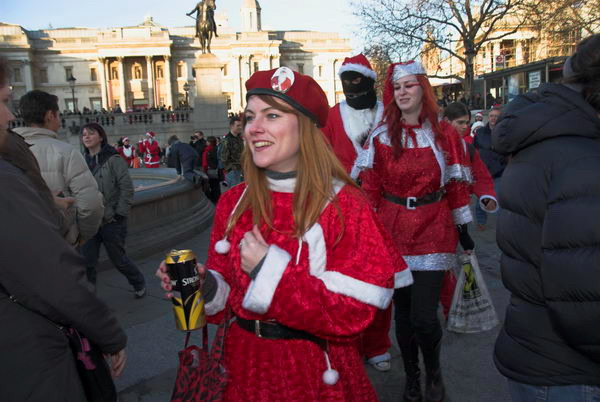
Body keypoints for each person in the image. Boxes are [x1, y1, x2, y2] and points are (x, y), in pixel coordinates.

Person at [156, 66, 412, 400]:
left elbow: (355, 314)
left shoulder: (345, 204)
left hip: (313, 372)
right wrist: (204, 287)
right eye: (249, 117)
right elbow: (226, 304)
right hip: (241, 368)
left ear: (305, 128)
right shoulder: (234, 201)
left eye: (272, 115)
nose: (254, 128)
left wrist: (270, 270)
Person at [0, 58, 127, 402]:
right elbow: (90, 207)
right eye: (2, 100)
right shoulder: (53, 155)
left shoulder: (12, 152)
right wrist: (110, 335)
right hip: (31, 340)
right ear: (53, 115)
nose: (9, 115)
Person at [354, 61, 474, 402]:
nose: (404, 92)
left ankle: (433, 371)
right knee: (404, 315)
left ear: (423, 88)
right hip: (392, 230)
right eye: (399, 87)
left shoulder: (445, 133)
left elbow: (454, 185)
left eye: (410, 85)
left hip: (433, 227)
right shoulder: (380, 136)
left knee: (424, 316)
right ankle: (412, 377)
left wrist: (463, 227)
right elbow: (371, 190)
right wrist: (365, 234)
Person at [492, 34, 600, 402]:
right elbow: (582, 297)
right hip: (570, 371)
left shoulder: (551, 141)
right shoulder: (583, 158)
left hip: (541, 355)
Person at [322, 54, 391, 372]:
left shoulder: (387, 113)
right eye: (345, 79)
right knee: (347, 278)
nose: (350, 86)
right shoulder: (333, 116)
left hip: (385, 206)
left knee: (381, 276)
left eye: (356, 79)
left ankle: (378, 344)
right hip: (344, 207)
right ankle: (351, 343)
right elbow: (322, 154)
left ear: (368, 80)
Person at [13, 89, 104, 246]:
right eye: (58, 114)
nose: (60, 119)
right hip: (59, 240)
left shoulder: (8, 149)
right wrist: (80, 236)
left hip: (17, 242)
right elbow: (91, 204)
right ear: (50, 116)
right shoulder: (66, 152)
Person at [440, 102, 498, 318]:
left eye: (467, 122)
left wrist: (486, 197)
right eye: (460, 123)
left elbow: (480, 176)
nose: (465, 126)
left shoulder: (468, 148)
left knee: (466, 253)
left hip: (460, 214)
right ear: (446, 122)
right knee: (443, 263)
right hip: (435, 214)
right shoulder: (430, 146)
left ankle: (467, 300)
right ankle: (449, 307)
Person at [80, 123, 146, 298]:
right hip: (89, 220)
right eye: (84, 134)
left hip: (112, 220)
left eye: (91, 134)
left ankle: (138, 281)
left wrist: (119, 214)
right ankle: (89, 297)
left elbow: (126, 188)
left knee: (119, 259)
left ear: (101, 137)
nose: (86, 137)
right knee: (87, 261)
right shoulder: (80, 160)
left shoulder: (114, 159)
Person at [473, 106, 505, 230]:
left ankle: (503, 223)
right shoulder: (480, 132)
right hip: (483, 171)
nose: (493, 118)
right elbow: (474, 149)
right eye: (491, 116)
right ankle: (481, 221)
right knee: (481, 198)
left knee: (498, 198)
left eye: (496, 116)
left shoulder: (504, 132)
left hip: (499, 171)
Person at [220, 115, 244, 187]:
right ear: (231, 126)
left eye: (241, 125)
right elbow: (224, 158)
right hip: (233, 171)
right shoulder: (227, 140)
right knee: (235, 193)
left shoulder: (239, 138)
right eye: (238, 125)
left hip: (242, 169)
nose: (240, 127)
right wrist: (231, 169)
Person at [202, 135, 221, 203]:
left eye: (207, 141)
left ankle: (213, 200)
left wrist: (204, 171)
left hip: (210, 171)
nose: (206, 142)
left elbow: (205, 163)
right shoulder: (217, 149)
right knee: (216, 186)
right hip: (217, 170)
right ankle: (218, 199)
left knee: (211, 186)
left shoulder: (207, 151)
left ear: (209, 142)